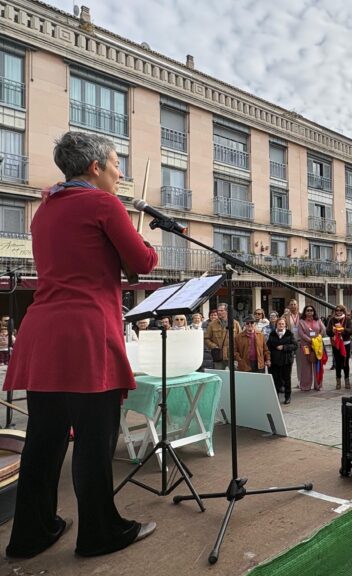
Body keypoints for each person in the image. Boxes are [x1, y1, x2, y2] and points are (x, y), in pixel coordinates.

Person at [3, 131, 158, 558]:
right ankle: (100, 532)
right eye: (115, 164)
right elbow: (142, 262)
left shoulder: (44, 209)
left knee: (45, 439)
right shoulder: (103, 203)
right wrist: (144, 246)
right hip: (86, 332)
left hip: (42, 332)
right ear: (95, 168)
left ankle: (32, 533)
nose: (119, 172)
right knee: (94, 440)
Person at [267, 317, 297, 405]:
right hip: (275, 361)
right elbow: (268, 346)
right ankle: (275, 397)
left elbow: (295, 346)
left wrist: (284, 347)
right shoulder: (272, 334)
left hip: (286, 361)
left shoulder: (289, 334)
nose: (281, 325)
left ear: (285, 325)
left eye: (282, 324)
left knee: (287, 379)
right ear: (276, 324)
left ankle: (288, 397)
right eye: (279, 324)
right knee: (275, 379)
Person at [204, 303, 241, 370]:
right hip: (219, 355)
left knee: (235, 376)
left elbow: (240, 338)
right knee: (219, 375)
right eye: (218, 311)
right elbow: (206, 338)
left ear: (227, 311)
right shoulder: (212, 324)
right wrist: (213, 346)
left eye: (221, 310)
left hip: (232, 355)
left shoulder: (235, 323)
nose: (219, 312)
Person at [297, 305, 325, 391]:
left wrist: (317, 339)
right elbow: (301, 334)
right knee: (306, 367)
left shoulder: (318, 320)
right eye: (307, 310)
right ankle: (305, 386)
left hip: (317, 346)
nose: (309, 312)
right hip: (306, 346)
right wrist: (311, 341)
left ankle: (318, 385)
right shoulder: (301, 321)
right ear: (305, 312)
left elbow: (323, 330)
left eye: (311, 310)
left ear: (314, 312)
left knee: (317, 366)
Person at [326, 304, 352, 389]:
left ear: (343, 311)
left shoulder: (347, 319)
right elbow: (327, 331)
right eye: (337, 310)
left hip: (345, 343)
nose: (338, 312)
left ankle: (347, 381)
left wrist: (343, 330)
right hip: (336, 344)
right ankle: (338, 381)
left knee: (345, 363)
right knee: (337, 363)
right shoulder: (332, 319)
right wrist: (333, 331)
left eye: (340, 310)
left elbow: (351, 330)